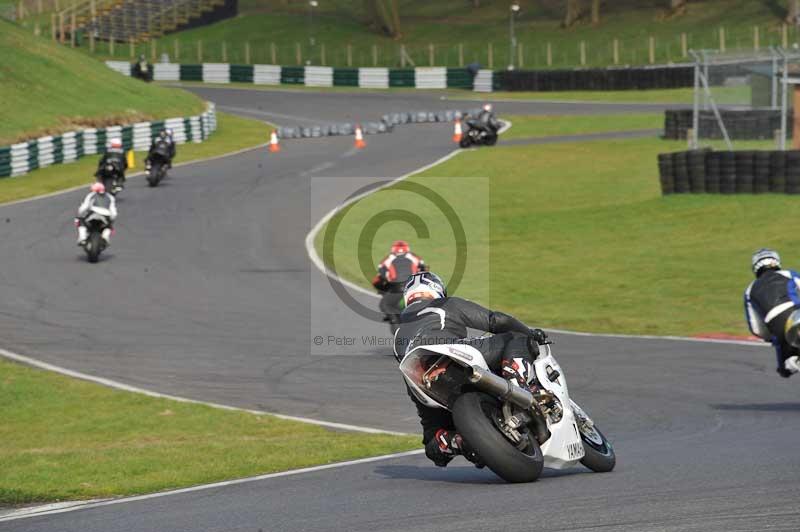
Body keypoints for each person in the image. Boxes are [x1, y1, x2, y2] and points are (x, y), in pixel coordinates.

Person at [393, 271, 548, 467]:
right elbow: (496, 320)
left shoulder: (398, 332)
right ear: (437, 290)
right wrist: (530, 332)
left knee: (432, 440)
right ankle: (521, 384)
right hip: (450, 353)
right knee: (516, 338)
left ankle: (455, 441)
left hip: (421, 379)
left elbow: (405, 364)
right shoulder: (445, 304)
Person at [744, 248, 800, 378]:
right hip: (796, 313)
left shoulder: (749, 290)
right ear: (776, 262)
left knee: (785, 370)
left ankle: (789, 363)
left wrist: (771, 336)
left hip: (778, 328)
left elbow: (756, 329)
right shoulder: (788, 274)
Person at [371, 240, 426, 332]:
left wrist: (382, 290)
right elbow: (424, 272)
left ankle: (395, 322)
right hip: (416, 288)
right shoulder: (416, 258)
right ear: (407, 249)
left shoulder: (387, 260)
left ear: (393, 250)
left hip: (397, 288)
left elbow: (379, 279)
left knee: (385, 304)